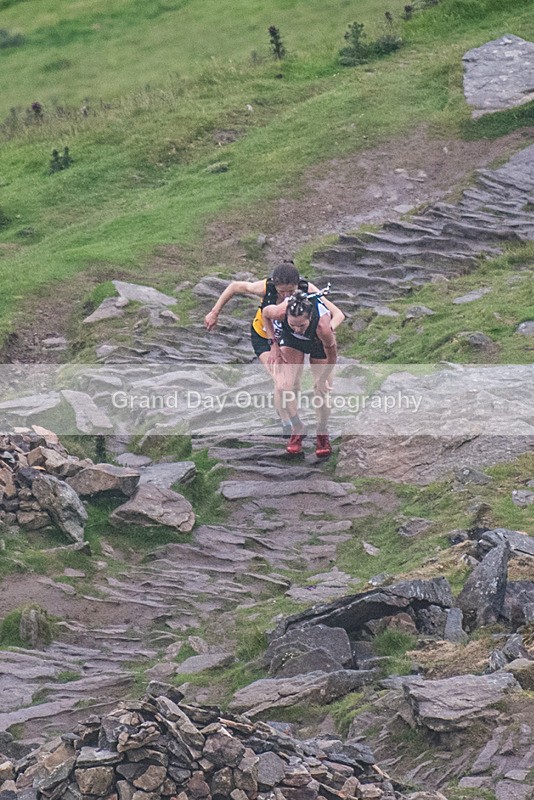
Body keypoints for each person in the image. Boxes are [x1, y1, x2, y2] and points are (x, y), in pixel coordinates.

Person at [204, 263, 344, 436]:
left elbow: (335, 313)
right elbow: (235, 287)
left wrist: (324, 332)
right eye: (281, 291)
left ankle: (302, 423)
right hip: (265, 337)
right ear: (275, 285)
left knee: (296, 382)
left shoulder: (306, 289)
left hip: (293, 337)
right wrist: (214, 312)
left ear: (297, 285)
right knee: (282, 382)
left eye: (290, 291)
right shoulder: (266, 288)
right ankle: (288, 423)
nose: (286, 295)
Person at [262, 289, 338, 458]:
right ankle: (297, 426)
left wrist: (322, 379)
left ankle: (322, 431)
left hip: (318, 343)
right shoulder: (280, 312)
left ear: (310, 317)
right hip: (292, 343)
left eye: (301, 325)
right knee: (283, 386)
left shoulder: (322, 327)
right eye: (292, 325)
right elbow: (265, 315)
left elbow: (332, 356)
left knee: (321, 392)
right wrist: (273, 345)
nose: (297, 329)